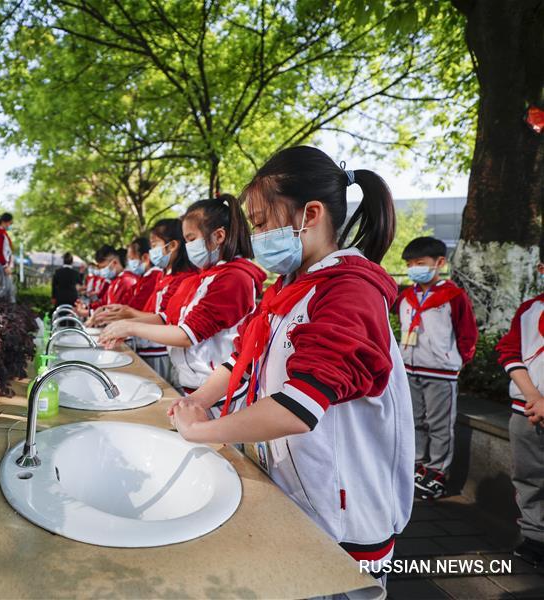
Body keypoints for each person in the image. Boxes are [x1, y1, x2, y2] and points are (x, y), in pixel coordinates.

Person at [170, 146, 413, 579]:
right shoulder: (290, 287)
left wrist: (202, 431)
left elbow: (297, 407)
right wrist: (197, 402)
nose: (258, 235)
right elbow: (242, 357)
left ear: (311, 213)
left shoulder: (348, 291)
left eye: (262, 223)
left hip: (341, 519)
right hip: (299, 493)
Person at [99, 194, 265, 401]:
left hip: (218, 391)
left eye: (191, 239)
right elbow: (169, 319)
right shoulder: (207, 276)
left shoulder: (234, 278)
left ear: (219, 236)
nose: (189, 247)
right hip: (197, 384)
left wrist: (130, 326)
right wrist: (125, 321)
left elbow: (187, 335)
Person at [393, 236, 478, 500]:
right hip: (409, 369)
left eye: (420, 263)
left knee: (440, 424)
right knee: (415, 421)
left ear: (440, 262)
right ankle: (418, 464)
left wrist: (457, 361)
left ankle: (438, 472)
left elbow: (467, 334)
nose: (413, 268)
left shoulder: (453, 296)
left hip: (440, 372)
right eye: (409, 264)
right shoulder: (406, 297)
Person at [94, 219, 198, 380]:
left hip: (166, 352)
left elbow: (170, 323)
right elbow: (161, 316)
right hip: (160, 349)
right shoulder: (163, 276)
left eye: (155, 245)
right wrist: (122, 317)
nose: (152, 251)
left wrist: (128, 321)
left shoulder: (184, 278)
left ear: (173, 245)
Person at [495, 261, 544, 567]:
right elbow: (509, 352)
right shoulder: (529, 309)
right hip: (527, 412)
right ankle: (535, 537)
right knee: (529, 478)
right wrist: (534, 396)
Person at [76, 244, 139, 315]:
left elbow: (117, 310)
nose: (102, 271)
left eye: (104, 267)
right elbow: (104, 303)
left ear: (114, 262)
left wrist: (88, 312)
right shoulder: (115, 281)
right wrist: (87, 308)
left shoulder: (127, 281)